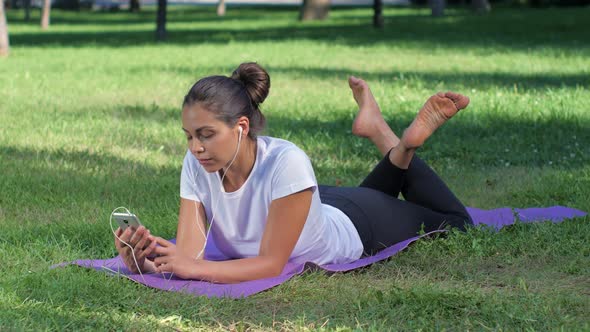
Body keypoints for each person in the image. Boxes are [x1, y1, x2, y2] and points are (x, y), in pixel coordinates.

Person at [114, 62, 473, 283]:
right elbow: (191, 256)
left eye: (206, 135)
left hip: (358, 222)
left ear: (241, 126)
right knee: (377, 191)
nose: (195, 148)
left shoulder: (287, 162)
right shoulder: (196, 165)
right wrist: (144, 263)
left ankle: (397, 142)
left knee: (458, 222)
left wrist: (190, 269)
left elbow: (271, 264)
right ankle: (383, 134)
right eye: (189, 136)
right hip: (304, 205)